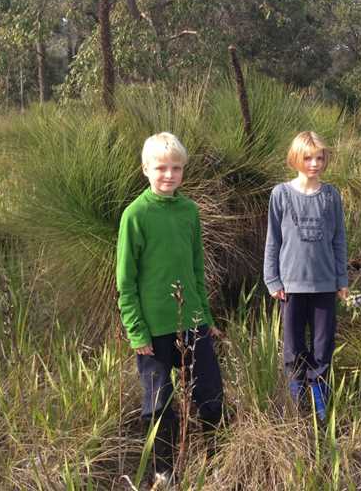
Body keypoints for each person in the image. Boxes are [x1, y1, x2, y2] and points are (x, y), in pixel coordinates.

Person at [116, 132, 224, 483]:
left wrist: (205, 318)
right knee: (159, 404)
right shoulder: (135, 215)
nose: (169, 175)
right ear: (146, 169)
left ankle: (215, 459)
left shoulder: (189, 211)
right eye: (161, 168)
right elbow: (126, 282)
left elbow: (196, 270)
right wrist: (137, 332)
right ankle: (164, 471)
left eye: (176, 168)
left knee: (210, 393)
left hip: (192, 322)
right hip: (153, 332)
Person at [263, 131, 348, 421]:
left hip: (324, 284)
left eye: (319, 158)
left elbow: (339, 240)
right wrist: (272, 279)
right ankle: (296, 401)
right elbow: (273, 240)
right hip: (291, 286)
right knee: (293, 347)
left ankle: (320, 401)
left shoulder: (331, 196)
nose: (314, 163)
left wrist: (341, 279)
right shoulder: (281, 194)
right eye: (308, 158)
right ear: (296, 159)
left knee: (322, 346)